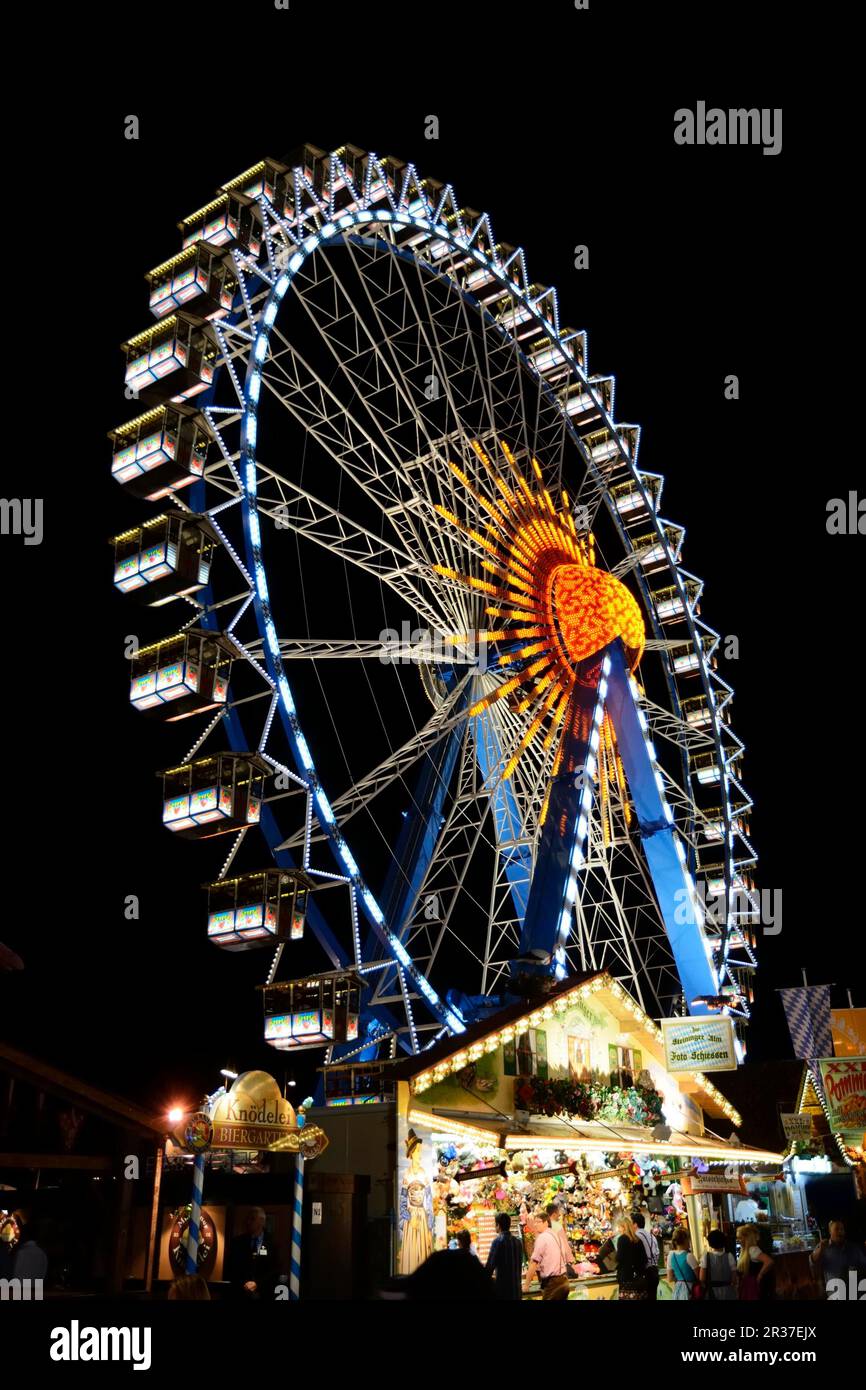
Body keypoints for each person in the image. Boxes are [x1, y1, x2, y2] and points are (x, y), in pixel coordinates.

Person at [227, 1207, 279, 1301]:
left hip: (264, 1293)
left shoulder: (272, 1244)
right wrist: (244, 1283)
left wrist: (257, 1284)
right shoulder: (237, 1242)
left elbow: (275, 1270)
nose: (248, 1222)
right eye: (248, 1219)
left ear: (262, 1222)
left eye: (252, 1219)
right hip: (240, 1293)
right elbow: (231, 1267)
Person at [809, 1220, 866, 1296]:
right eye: (837, 1229)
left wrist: (857, 1270)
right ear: (830, 1232)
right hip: (835, 1294)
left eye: (842, 1229)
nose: (840, 1232)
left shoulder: (853, 1248)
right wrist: (820, 1250)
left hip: (854, 1293)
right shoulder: (823, 1247)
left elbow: (864, 1264)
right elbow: (812, 1263)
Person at [524, 1210, 569, 1300]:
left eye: (538, 1222)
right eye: (535, 1222)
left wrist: (526, 1285)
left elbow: (534, 1263)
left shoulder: (543, 1237)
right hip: (564, 1281)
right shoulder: (556, 1235)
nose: (535, 1224)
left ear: (546, 1223)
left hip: (554, 1284)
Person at [486, 1212, 523, 1300]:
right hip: (517, 1290)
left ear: (498, 1225)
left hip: (503, 1292)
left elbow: (489, 1268)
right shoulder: (518, 1242)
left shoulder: (497, 1241)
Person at [736, 1223, 773, 1300]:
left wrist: (760, 1275)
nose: (738, 1240)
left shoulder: (753, 1250)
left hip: (751, 1283)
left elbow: (769, 1261)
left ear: (747, 1238)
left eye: (740, 1238)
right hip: (748, 1283)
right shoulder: (747, 1250)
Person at [615, 1216, 648, 1300]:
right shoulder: (638, 1240)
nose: (618, 1229)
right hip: (639, 1278)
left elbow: (619, 1258)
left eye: (619, 1227)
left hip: (626, 1278)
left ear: (623, 1227)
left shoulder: (622, 1239)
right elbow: (644, 1259)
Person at [700, 1229, 737, 1300]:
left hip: (711, 1291)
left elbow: (702, 1278)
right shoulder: (729, 1256)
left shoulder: (706, 1256)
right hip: (727, 1291)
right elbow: (734, 1278)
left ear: (710, 1243)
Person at [666, 1227, 698, 1300]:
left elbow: (670, 1279)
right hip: (690, 1289)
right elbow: (699, 1277)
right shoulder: (689, 1256)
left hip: (677, 1290)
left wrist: (680, 1278)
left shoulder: (671, 1256)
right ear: (686, 1240)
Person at [633, 1212, 660, 1298]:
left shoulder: (635, 1237)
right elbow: (657, 1253)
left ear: (635, 1224)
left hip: (644, 1274)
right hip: (655, 1272)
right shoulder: (652, 1236)